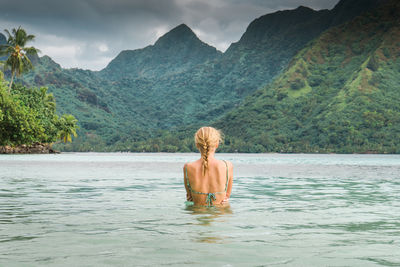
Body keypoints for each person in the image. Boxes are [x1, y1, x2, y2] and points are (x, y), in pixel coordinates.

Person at [183, 127, 233, 206]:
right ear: (217, 144)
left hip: (197, 214)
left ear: (197, 145)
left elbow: (189, 197)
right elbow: (227, 196)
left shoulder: (188, 167)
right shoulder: (227, 166)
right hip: (220, 215)